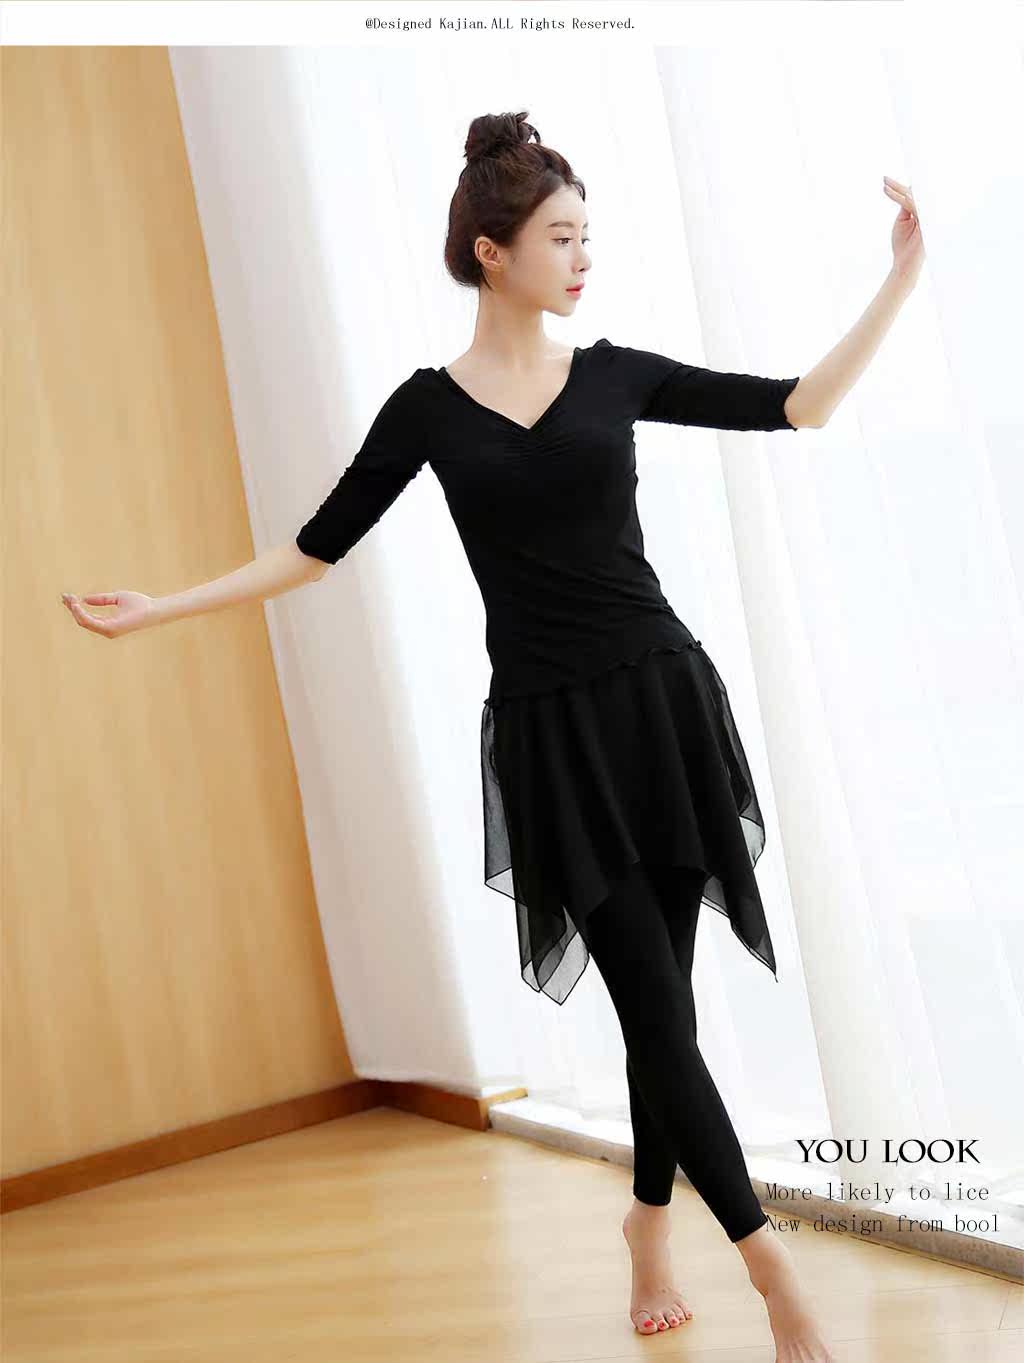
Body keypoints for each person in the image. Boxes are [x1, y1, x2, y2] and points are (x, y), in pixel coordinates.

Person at [62, 109, 923, 1363]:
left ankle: (646, 1224)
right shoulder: (428, 410)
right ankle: (776, 1280)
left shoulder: (615, 373)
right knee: (653, 1008)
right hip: (551, 735)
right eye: (561, 237)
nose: (583, 259)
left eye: (586, 235)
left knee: (663, 1014)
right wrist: (163, 608)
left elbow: (799, 405)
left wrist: (899, 278)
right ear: (489, 252)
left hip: (660, 705)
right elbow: (314, 548)